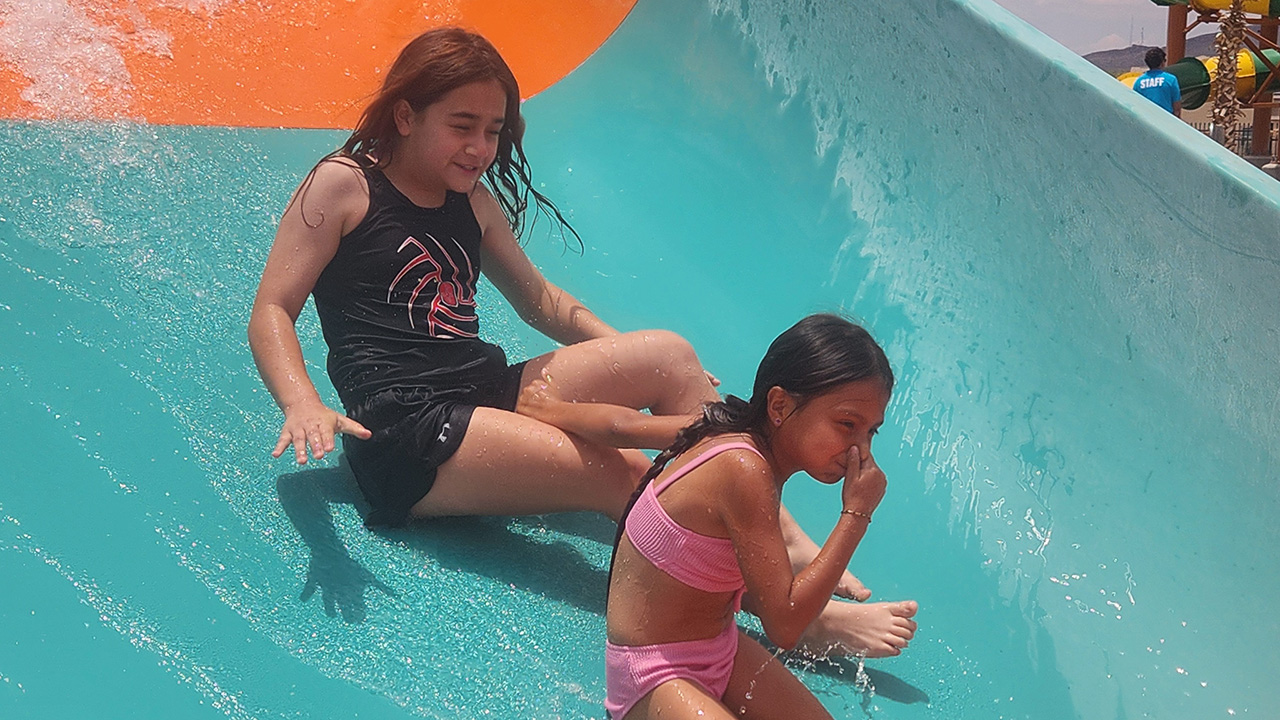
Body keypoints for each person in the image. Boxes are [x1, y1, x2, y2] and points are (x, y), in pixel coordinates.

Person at [249, 27, 914, 658]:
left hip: (483, 393)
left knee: (670, 354)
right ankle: (792, 608)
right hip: (406, 435)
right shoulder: (343, 186)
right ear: (403, 116)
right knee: (615, 471)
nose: (480, 147)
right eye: (462, 126)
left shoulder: (472, 203)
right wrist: (301, 398)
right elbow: (274, 308)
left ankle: (784, 541)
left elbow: (541, 302)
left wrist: (632, 364)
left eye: (493, 131)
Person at [591, 315, 916, 719]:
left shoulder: (746, 447)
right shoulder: (744, 469)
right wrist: (857, 513)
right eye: (847, 424)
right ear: (780, 405)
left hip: (718, 648)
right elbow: (785, 625)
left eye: (871, 432)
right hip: (655, 673)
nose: (860, 450)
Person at [1133, 47, 1182, 117]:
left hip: (1147, 122)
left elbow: (1136, 106)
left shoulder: (1139, 82)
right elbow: (1176, 109)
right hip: (1166, 122)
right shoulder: (1171, 80)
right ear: (1162, 63)